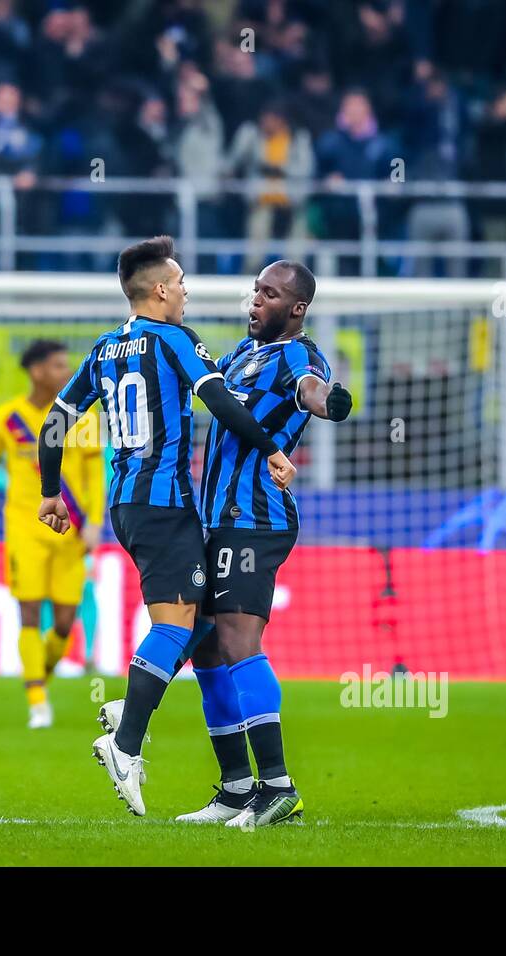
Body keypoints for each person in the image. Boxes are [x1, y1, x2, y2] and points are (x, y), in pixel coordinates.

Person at [36, 235, 296, 816]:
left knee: (203, 624)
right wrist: (271, 449)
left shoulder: (104, 349)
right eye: (180, 284)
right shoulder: (177, 340)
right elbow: (224, 403)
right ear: (159, 290)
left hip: (125, 506)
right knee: (179, 625)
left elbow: (55, 421)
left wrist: (50, 492)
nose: (185, 292)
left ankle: (221, 781)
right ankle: (125, 742)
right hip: (167, 506)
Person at [176, 259, 351, 827]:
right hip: (215, 518)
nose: (255, 301)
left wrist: (331, 401)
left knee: (236, 638)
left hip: (255, 518)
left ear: (296, 309)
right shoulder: (239, 356)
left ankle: (278, 789)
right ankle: (234, 789)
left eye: (270, 294)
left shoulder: (297, 355)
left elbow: (311, 391)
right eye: (255, 290)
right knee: (205, 647)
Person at [0, 341, 105, 729]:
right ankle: (38, 700)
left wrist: (94, 522)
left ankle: (38, 673)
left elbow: (95, 476)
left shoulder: (83, 419)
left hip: (70, 531)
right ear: (37, 371)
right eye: (59, 365)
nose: (66, 372)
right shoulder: (4, 419)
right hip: (24, 529)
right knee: (27, 614)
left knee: (63, 622)